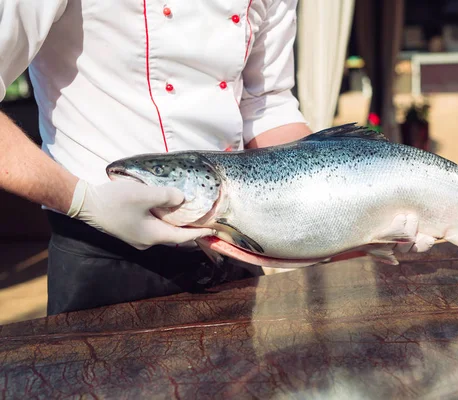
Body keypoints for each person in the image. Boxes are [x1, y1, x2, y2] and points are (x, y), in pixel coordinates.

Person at [0, 0, 312, 315]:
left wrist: (332, 210)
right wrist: (86, 202)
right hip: (105, 261)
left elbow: (266, 102)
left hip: (233, 249)